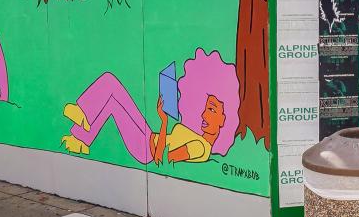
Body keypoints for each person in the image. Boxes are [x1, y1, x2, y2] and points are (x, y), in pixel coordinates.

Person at [60, 49, 240, 165]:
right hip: (147, 138)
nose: (204, 115)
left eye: (212, 110)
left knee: (111, 84)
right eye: (207, 108)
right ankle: (82, 139)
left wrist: (163, 121)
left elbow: (165, 157)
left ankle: (82, 112)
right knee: (113, 101)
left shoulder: (200, 148)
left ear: (224, 119)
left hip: (147, 149)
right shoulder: (199, 139)